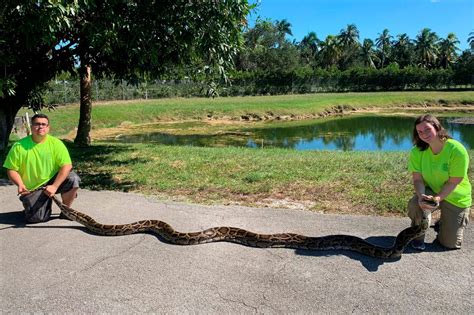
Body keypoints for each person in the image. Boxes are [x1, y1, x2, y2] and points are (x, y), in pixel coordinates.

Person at [407, 114, 471, 250]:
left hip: (455, 196)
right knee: (415, 205)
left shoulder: (456, 149)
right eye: (420, 132)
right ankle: (417, 237)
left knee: (449, 244)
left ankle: (442, 223)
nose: (424, 134)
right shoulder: (417, 151)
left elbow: (454, 182)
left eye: (427, 129)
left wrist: (437, 198)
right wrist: (421, 197)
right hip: (431, 190)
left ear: (437, 127)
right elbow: (417, 179)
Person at [3, 113, 80, 222]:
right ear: (31, 126)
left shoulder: (56, 144)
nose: (41, 127)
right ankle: (34, 205)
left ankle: (66, 211)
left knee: (73, 179)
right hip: (34, 188)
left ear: (48, 127)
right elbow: (11, 169)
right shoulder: (19, 146)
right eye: (37, 124)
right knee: (37, 218)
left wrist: (54, 186)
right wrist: (20, 184)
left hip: (53, 180)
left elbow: (67, 166)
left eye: (44, 124)